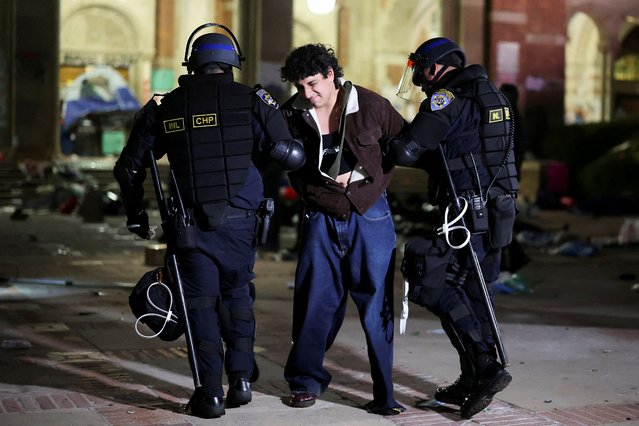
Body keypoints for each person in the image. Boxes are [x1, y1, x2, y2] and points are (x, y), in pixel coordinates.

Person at [113, 23, 305, 419]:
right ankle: (242, 381)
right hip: (241, 225)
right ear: (232, 63)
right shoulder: (254, 100)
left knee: (199, 307)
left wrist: (136, 216)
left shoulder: (165, 108)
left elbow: (128, 169)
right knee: (237, 298)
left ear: (193, 64)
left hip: (190, 229)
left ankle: (209, 395)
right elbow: (291, 154)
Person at [386, 37, 518, 419]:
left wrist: (389, 140)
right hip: (497, 216)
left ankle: (486, 367)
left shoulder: (446, 99)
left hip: (464, 215)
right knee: (476, 295)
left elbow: (407, 151)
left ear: (434, 67)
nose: (421, 80)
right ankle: (472, 378)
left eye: (421, 70)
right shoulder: (494, 97)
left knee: (429, 276)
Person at [278, 43, 407, 415]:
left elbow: (402, 147)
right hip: (320, 216)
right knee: (314, 302)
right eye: (301, 86)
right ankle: (304, 382)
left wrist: (366, 174)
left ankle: (384, 394)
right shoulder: (293, 112)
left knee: (376, 304)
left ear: (332, 74)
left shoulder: (370, 105)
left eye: (314, 84)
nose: (308, 94)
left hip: (370, 215)